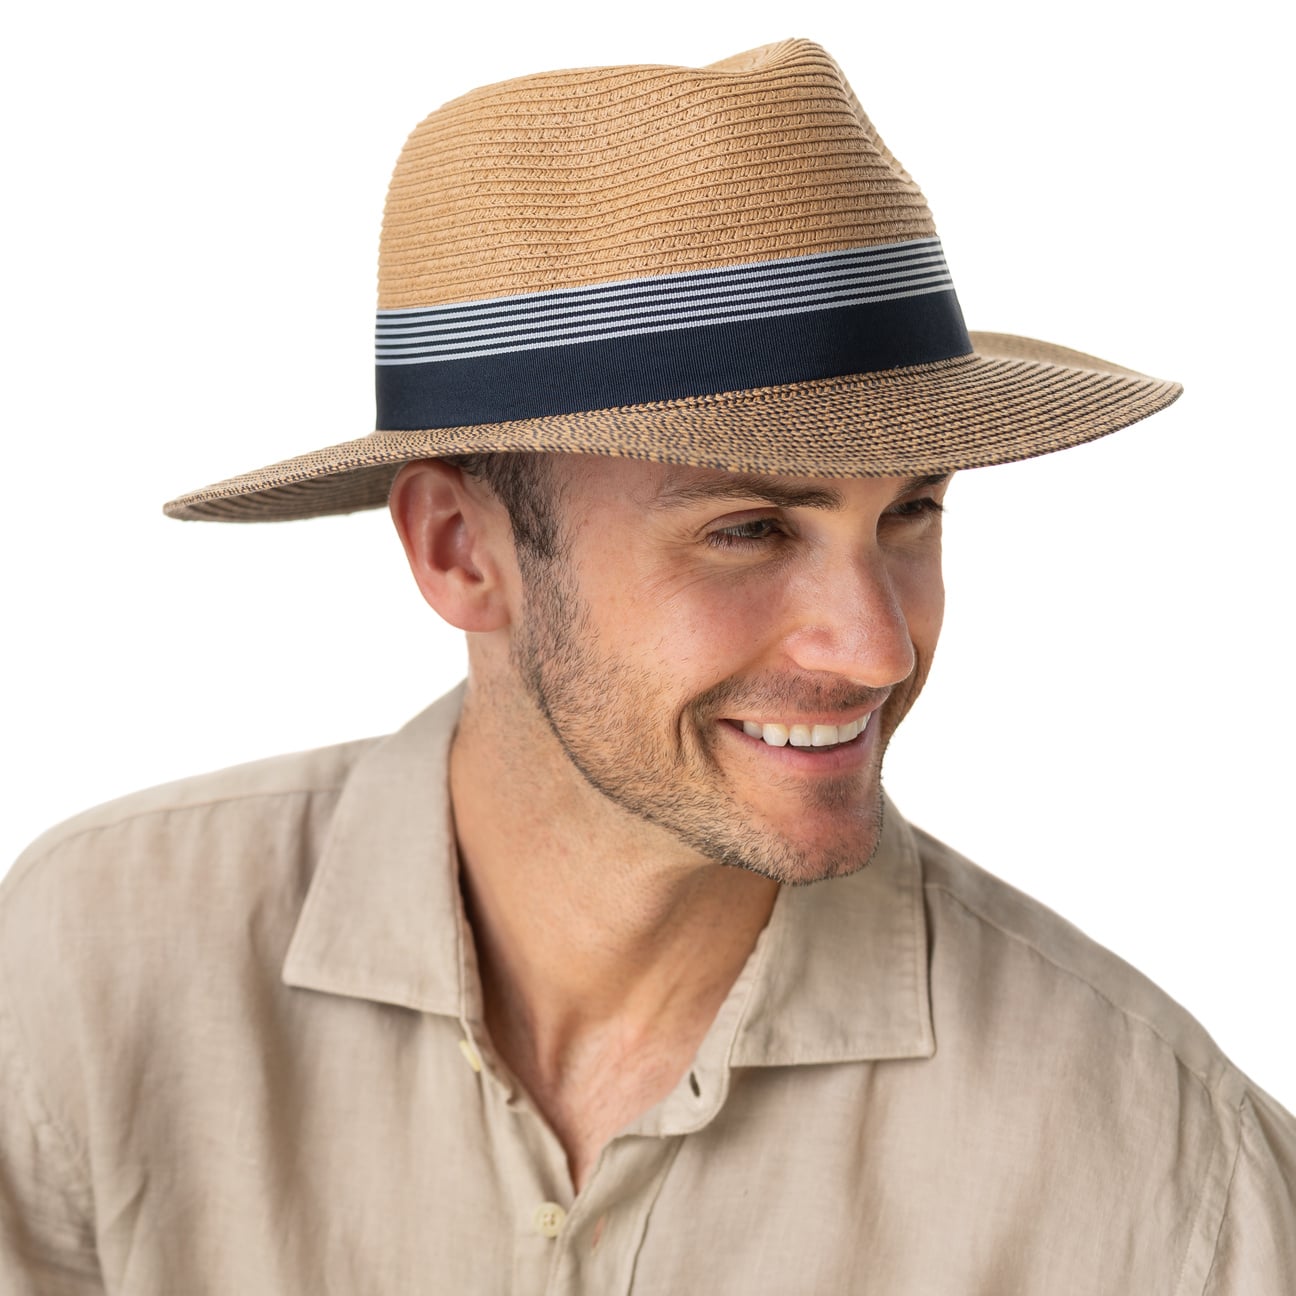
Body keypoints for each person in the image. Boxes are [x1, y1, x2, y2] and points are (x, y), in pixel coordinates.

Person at [2, 37, 1292, 1294]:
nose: (877, 648)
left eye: (910, 513)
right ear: (460, 551)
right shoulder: (91, 971)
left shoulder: (1163, 1180)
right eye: (749, 530)